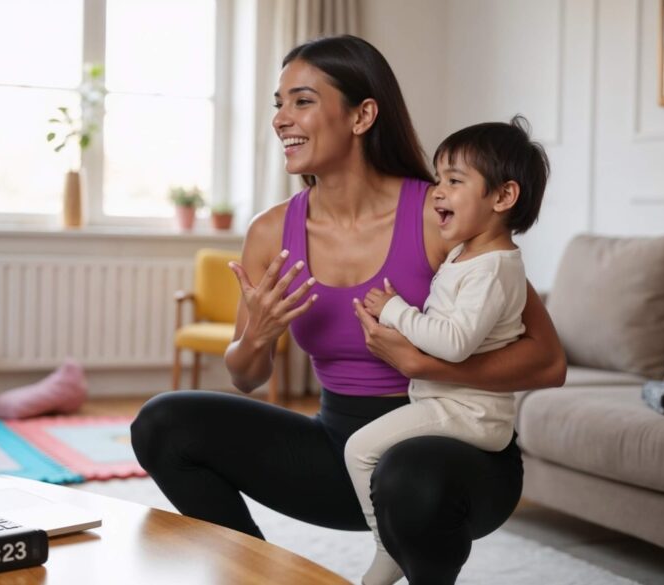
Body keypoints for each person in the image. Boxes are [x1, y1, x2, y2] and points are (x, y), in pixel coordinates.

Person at [130, 35, 566, 585]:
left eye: (302, 101)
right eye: (278, 103)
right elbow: (246, 377)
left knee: (410, 473)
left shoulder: (438, 212)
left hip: (454, 460)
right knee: (163, 423)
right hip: (342, 450)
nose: (281, 118)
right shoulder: (271, 231)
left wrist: (423, 365)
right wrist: (256, 338)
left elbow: (548, 363)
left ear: (362, 115)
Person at [346, 115, 550, 585]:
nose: (437, 191)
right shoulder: (465, 254)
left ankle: (387, 548)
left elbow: (454, 344)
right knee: (369, 451)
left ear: (503, 197)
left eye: (454, 181)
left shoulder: (494, 269)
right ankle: (392, 545)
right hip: (451, 404)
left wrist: (396, 311)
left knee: (360, 450)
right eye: (438, 178)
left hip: (469, 414)